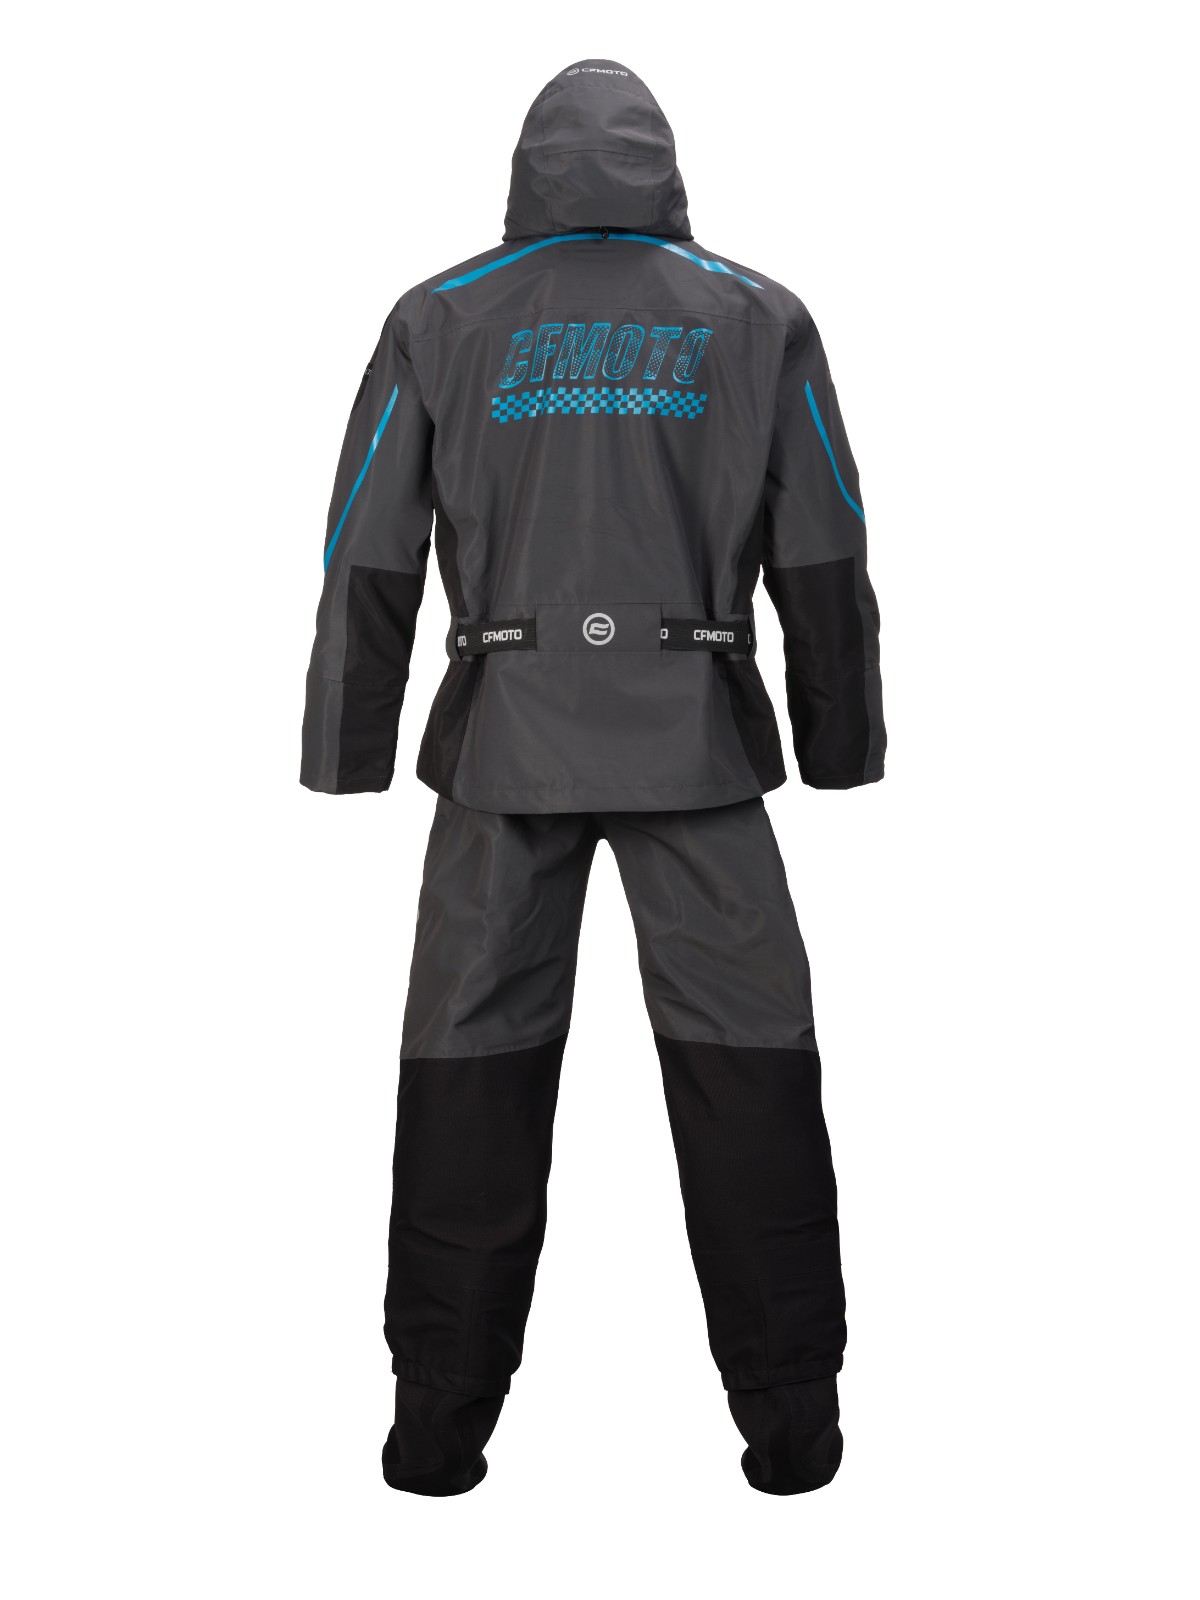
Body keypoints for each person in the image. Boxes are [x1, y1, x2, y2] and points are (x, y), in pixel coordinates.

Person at [301, 59, 885, 1496]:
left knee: (468, 1067)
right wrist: (841, 742)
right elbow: (825, 541)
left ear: (527, 170)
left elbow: (368, 547)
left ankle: (437, 1428)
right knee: (752, 1065)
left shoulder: (442, 316)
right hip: (699, 744)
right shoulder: (757, 316)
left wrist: (348, 747)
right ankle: (795, 1428)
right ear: (665, 168)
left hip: (505, 743)